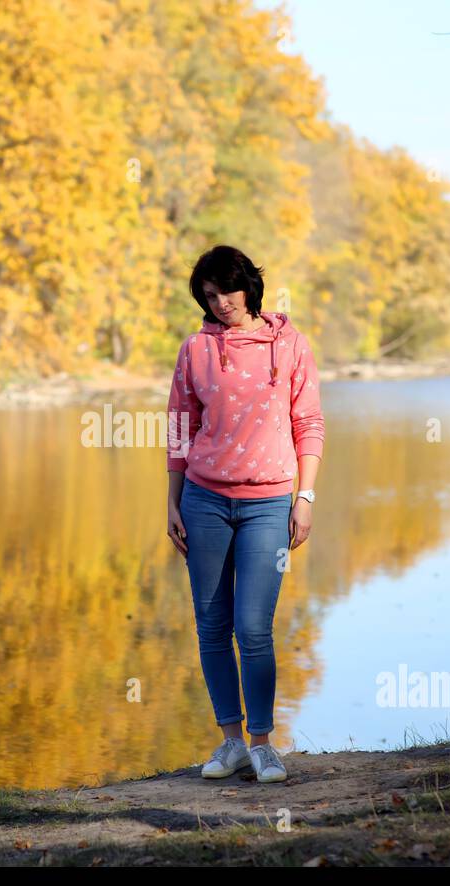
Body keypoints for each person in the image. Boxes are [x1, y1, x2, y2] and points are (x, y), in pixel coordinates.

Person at [166, 245, 324, 784]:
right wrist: (173, 499)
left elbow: (309, 423)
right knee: (212, 626)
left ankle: (263, 745)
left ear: (249, 287)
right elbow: (180, 428)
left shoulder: (291, 344)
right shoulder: (195, 350)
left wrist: (305, 498)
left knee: (253, 627)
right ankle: (230, 742)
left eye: (227, 290)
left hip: (269, 504)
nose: (220, 303)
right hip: (203, 500)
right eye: (209, 296)